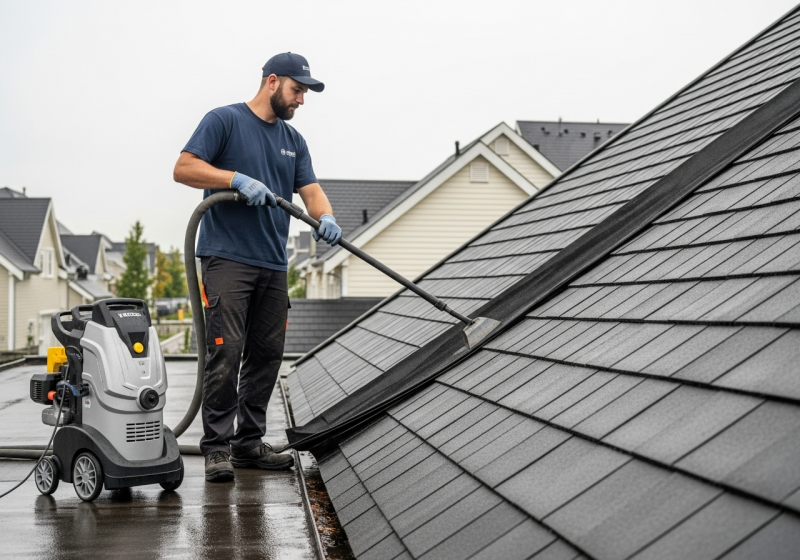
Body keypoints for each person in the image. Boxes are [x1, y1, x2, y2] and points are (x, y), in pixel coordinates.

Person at [173, 53, 342, 482]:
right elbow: (184, 168)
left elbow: (311, 190)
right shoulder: (224, 121)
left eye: (304, 92)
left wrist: (326, 217)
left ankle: (248, 444)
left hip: (272, 262)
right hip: (226, 258)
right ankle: (216, 448)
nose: (302, 99)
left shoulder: (294, 140)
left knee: (266, 355)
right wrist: (234, 179)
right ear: (272, 82)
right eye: (297, 89)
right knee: (225, 351)